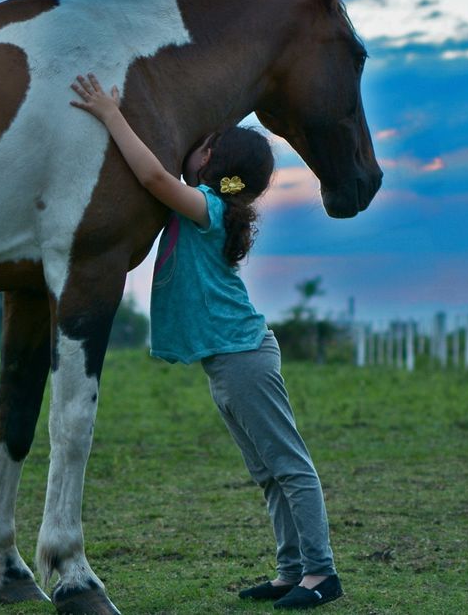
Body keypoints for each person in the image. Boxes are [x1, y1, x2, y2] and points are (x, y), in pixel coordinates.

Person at [69, 74, 343, 609]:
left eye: (204, 141)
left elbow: (150, 174)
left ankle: (322, 574)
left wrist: (109, 113)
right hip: (228, 360)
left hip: (242, 356)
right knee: (267, 472)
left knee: (289, 465)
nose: (193, 144)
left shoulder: (207, 208)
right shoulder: (210, 207)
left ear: (214, 161)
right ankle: (292, 571)